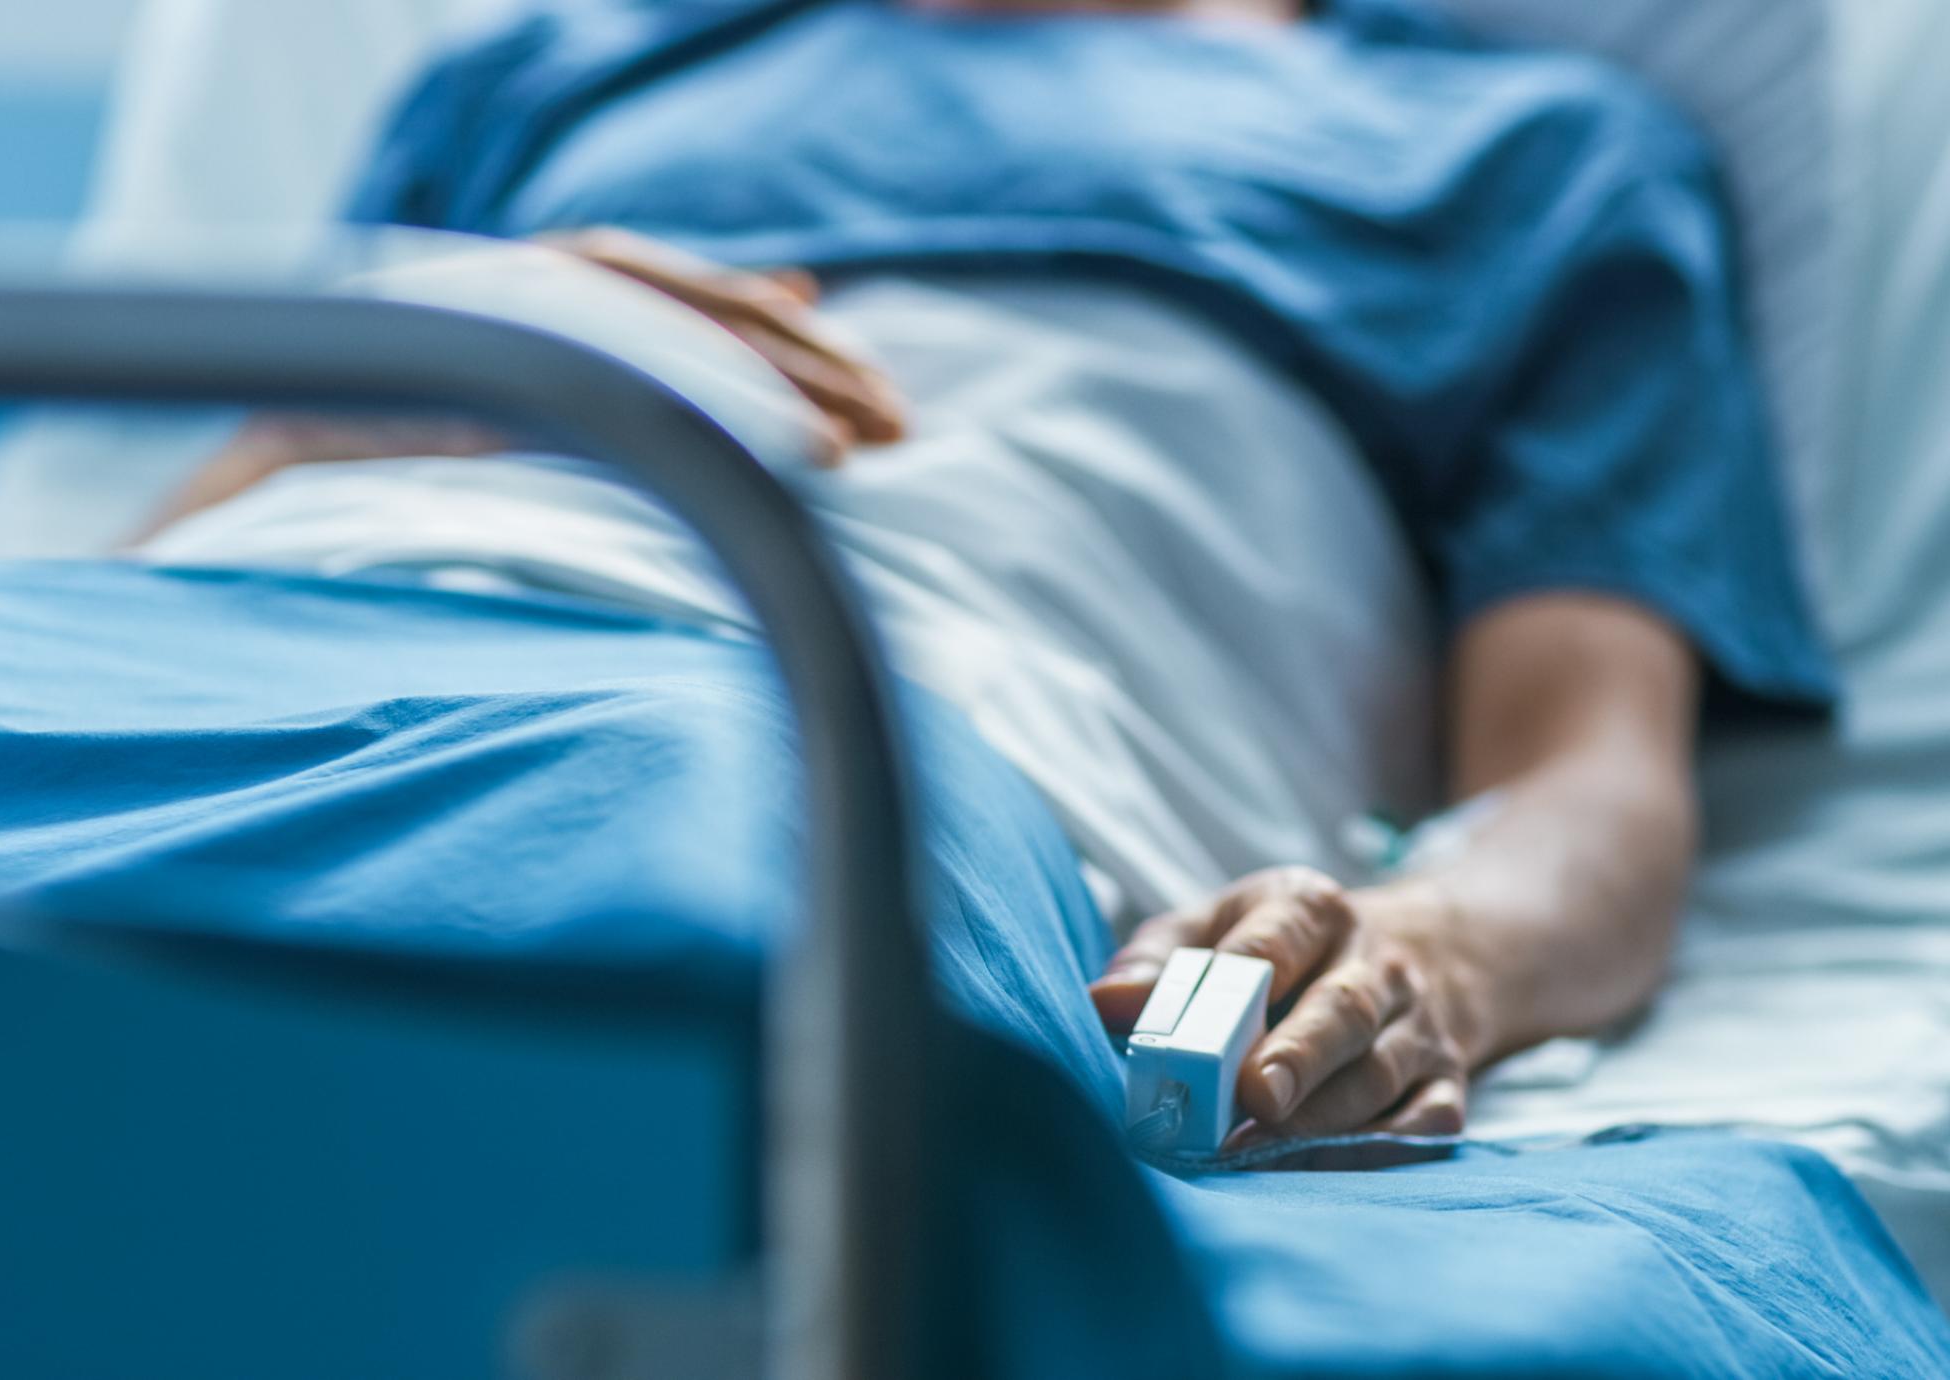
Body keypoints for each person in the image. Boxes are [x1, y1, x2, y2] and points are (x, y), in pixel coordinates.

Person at [139, 0, 1835, 1150]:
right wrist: (389, 375)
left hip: (834, 713)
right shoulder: (548, 77)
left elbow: (1584, 778)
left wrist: (1429, 951)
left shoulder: (1528, 154)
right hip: (213, 647)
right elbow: (134, 573)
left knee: (595, 991)